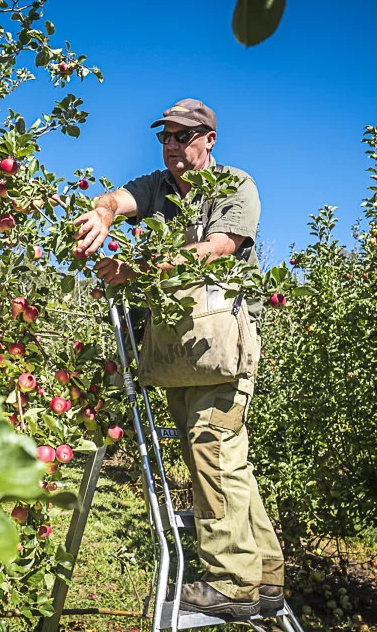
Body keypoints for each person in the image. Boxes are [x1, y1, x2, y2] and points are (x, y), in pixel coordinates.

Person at [72, 98, 285, 618]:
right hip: (176, 352)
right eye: (165, 136)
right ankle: (268, 575)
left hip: (223, 349)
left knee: (213, 449)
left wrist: (138, 271)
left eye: (183, 136)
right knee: (222, 457)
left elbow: (218, 247)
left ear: (208, 140)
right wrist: (100, 212)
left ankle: (233, 582)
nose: (172, 145)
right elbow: (117, 199)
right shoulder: (158, 187)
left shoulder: (236, 186)